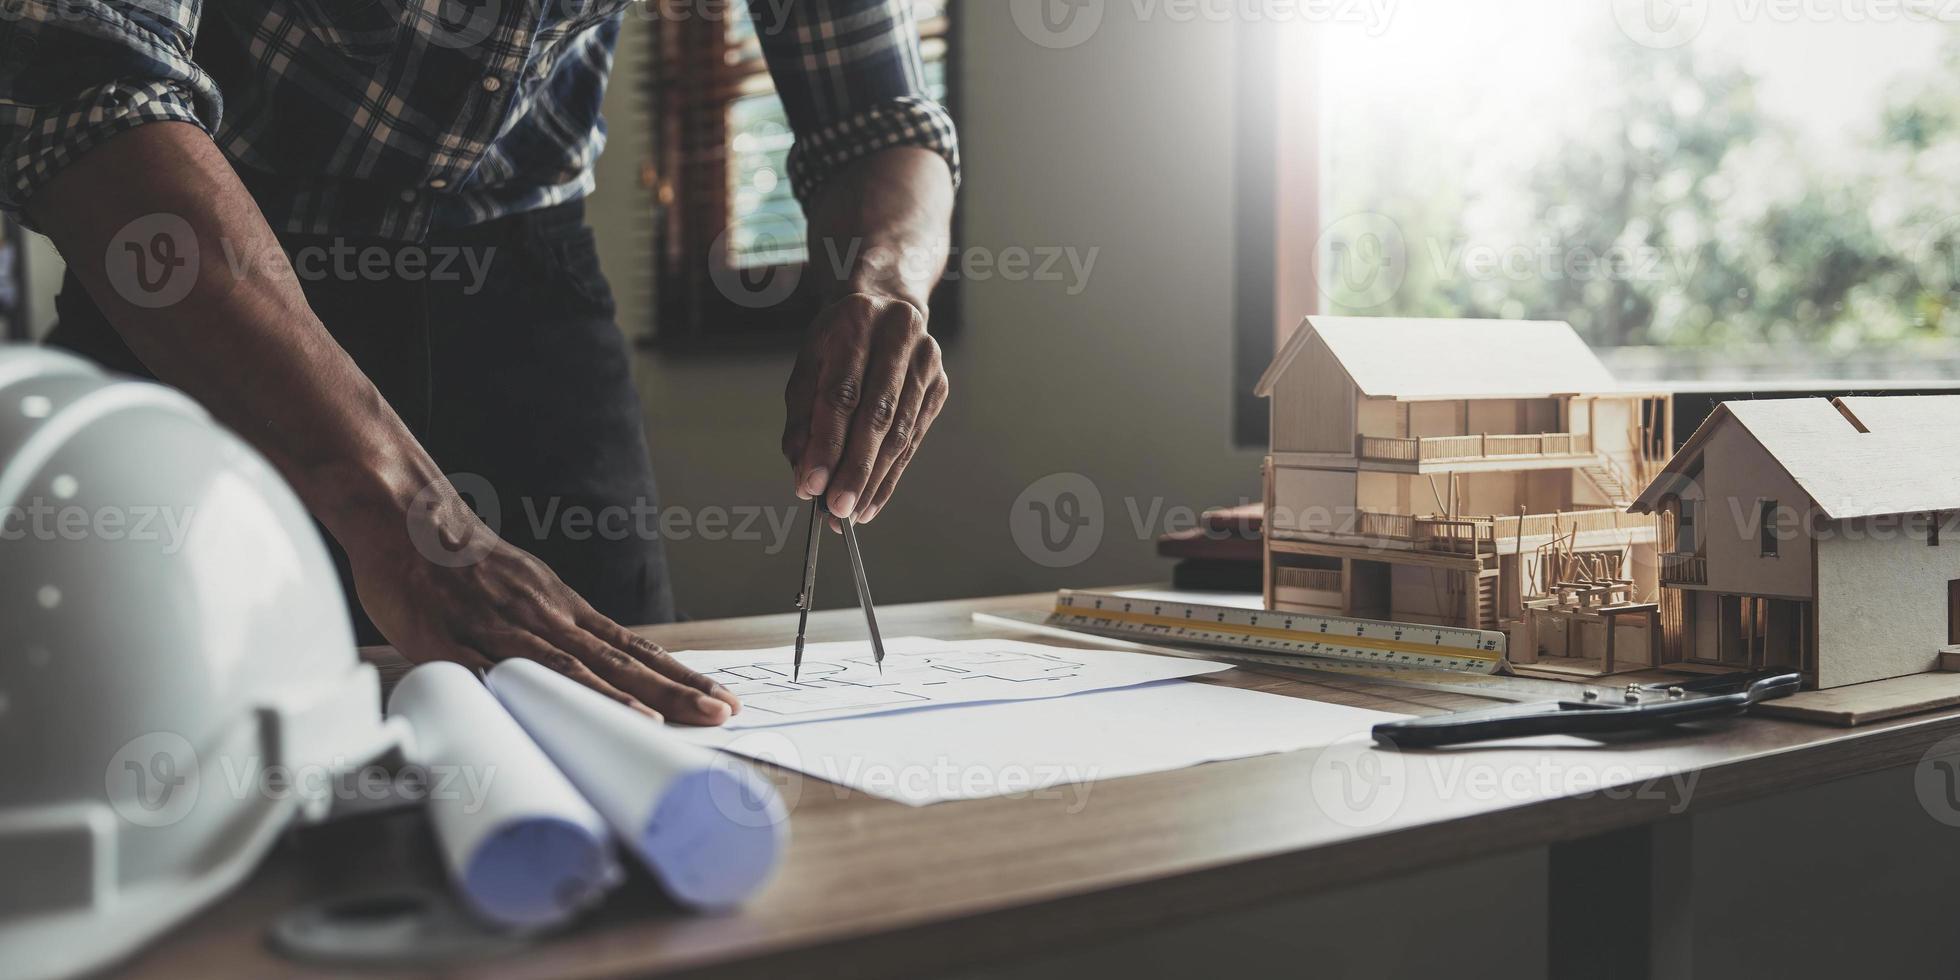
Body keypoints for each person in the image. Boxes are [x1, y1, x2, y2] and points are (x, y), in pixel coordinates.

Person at [0, 0, 958, 726]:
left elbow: (879, 118)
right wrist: (401, 510)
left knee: (620, 734)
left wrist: (886, 283)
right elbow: (91, 86)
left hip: (526, 288)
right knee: (155, 733)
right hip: (205, 279)